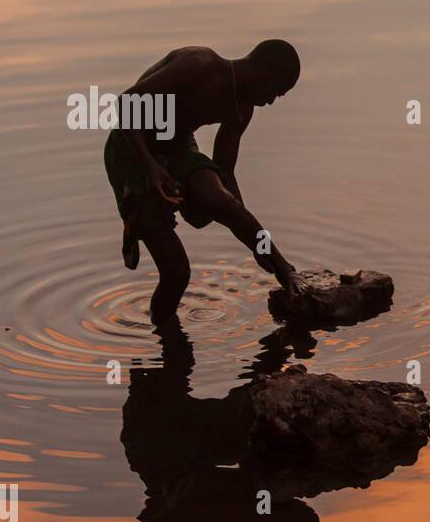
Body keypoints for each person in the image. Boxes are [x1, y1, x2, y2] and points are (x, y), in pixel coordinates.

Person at [103, 39, 305, 319]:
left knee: (217, 202)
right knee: (177, 274)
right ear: (262, 72)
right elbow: (127, 104)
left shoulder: (241, 110)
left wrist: (256, 242)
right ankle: (138, 222)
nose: (270, 101)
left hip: (178, 146)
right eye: (275, 92)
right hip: (133, 150)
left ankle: (285, 269)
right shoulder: (199, 64)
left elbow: (226, 177)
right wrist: (151, 167)